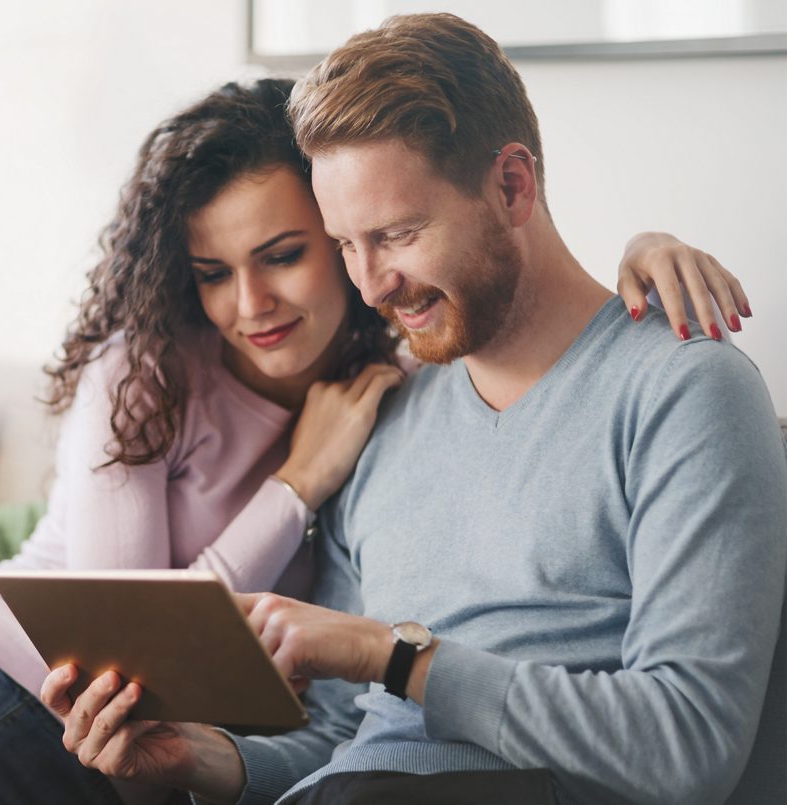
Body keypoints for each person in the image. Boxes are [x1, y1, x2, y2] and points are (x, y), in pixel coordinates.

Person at [0, 70, 754, 803]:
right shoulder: (162, 377)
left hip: (104, 758)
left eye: (305, 250)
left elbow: (521, 301)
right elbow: (143, 648)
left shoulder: (397, 386)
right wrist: (298, 490)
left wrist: (646, 252)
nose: (252, 301)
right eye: (213, 272)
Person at [44, 15, 787, 805]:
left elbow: (690, 746)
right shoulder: (385, 412)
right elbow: (340, 737)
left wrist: (398, 655)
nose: (369, 287)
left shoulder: (684, 391)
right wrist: (203, 757)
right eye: (345, 246)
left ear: (511, 186)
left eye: (397, 234)